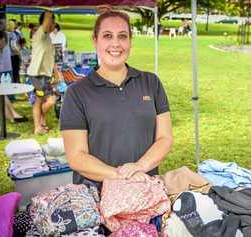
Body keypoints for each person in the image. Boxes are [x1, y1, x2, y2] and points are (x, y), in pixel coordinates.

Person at [60, 11, 173, 185]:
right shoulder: (76, 93)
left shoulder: (151, 82)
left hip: (145, 189)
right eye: (107, 36)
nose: (115, 44)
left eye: (122, 36)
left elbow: (164, 138)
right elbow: (76, 156)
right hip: (97, 196)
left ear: (130, 42)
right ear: (95, 40)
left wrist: (140, 167)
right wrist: (123, 176)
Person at [27, 11, 56, 135]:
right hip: (38, 74)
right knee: (48, 101)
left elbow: (50, 58)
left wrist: (56, 72)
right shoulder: (40, 33)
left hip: (44, 75)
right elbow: (47, 18)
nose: (54, 24)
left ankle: (40, 124)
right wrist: (49, 9)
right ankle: (38, 126)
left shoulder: (47, 37)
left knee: (44, 101)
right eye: (52, 21)